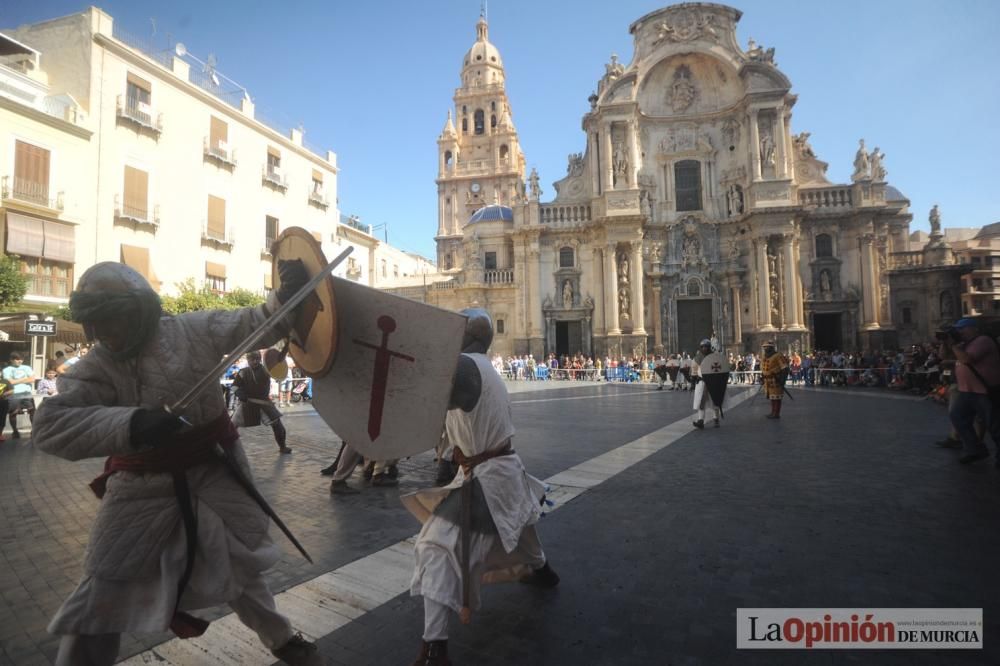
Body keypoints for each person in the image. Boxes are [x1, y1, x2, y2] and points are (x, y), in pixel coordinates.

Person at [31, 261, 321, 666]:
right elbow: (50, 425)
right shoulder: (98, 365)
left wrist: (285, 294)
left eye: (109, 321)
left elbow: (256, 323)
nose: (100, 335)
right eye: (92, 324)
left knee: (237, 565)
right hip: (141, 488)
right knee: (102, 584)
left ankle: (282, 639)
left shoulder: (191, 330)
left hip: (216, 471)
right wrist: (133, 423)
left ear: (138, 311)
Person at [403, 309, 558, 666]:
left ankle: (435, 648)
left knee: (436, 546)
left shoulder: (465, 367)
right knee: (519, 523)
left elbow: (428, 394)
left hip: (489, 476)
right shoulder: (482, 367)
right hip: (496, 470)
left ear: (466, 335)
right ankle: (544, 572)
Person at [941, 318, 1000, 464]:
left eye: (962, 329)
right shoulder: (963, 344)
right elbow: (942, 357)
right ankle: (975, 449)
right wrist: (945, 342)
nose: (959, 332)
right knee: (957, 417)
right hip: (966, 390)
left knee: (994, 425)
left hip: (983, 390)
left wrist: (954, 346)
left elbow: (967, 359)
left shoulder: (983, 340)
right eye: (958, 329)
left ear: (974, 329)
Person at [231, 350, 291, 455]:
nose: (255, 361)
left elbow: (278, 375)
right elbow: (235, 386)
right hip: (247, 403)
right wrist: (240, 393)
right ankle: (227, 446)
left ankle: (283, 446)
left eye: (257, 359)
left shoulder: (266, 371)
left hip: (264, 402)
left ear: (260, 359)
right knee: (231, 426)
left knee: (278, 425)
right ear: (248, 360)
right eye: (252, 359)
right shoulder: (243, 372)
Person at [3, 352, 36, 438]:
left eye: (21, 359)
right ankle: (15, 431)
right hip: (14, 393)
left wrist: (16, 381)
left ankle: (34, 430)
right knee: (13, 413)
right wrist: (25, 379)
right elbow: (9, 382)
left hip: (26, 392)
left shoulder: (27, 368)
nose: (20, 361)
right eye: (17, 359)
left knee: (32, 411)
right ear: (11, 360)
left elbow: (32, 379)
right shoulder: (6, 370)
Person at [691, 339, 722, 428]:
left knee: (715, 401)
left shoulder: (715, 357)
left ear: (709, 347)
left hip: (713, 382)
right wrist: (693, 380)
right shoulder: (697, 358)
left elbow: (720, 369)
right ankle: (701, 420)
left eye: (706, 346)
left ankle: (716, 419)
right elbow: (694, 370)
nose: (704, 348)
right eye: (703, 347)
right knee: (701, 401)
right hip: (701, 382)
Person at [762, 341, 789, 419]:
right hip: (768, 380)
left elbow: (785, 368)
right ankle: (773, 412)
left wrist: (782, 380)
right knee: (772, 397)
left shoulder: (778, 356)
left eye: (766, 347)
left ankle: (776, 413)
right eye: (764, 347)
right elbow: (764, 368)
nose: (765, 348)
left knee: (777, 398)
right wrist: (762, 377)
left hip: (776, 380)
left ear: (771, 347)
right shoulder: (765, 356)